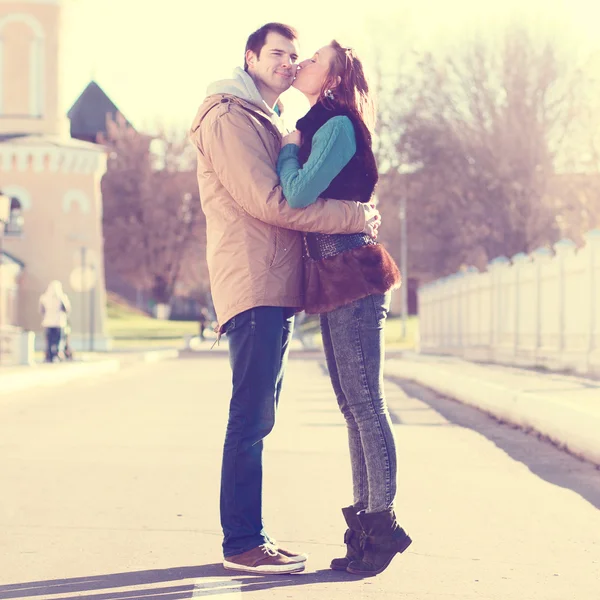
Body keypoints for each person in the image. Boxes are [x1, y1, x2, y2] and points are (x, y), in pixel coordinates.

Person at [189, 23, 380, 575]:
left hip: (272, 281)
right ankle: (243, 542)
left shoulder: (264, 119)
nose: (288, 62)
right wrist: (355, 216)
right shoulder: (228, 116)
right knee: (249, 417)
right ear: (250, 58)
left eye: (295, 55)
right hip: (253, 280)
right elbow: (273, 201)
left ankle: (250, 537)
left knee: (259, 415)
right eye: (276, 53)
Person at [276, 40, 412, 577]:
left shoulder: (335, 124)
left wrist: (288, 149)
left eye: (312, 60)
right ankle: (365, 530)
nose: (301, 63)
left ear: (331, 80)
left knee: (366, 406)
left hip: (353, 275)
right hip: (336, 279)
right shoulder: (320, 121)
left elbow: (300, 194)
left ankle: (381, 527)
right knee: (353, 408)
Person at [38, 280, 71, 363]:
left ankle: (49, 356)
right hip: (59, 323)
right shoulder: (62, 297)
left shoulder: (44, 297)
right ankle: (56, 355)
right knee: (58, 341)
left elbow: (41, 310)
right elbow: (66, 309)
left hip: (48, 322)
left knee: (49, 341)